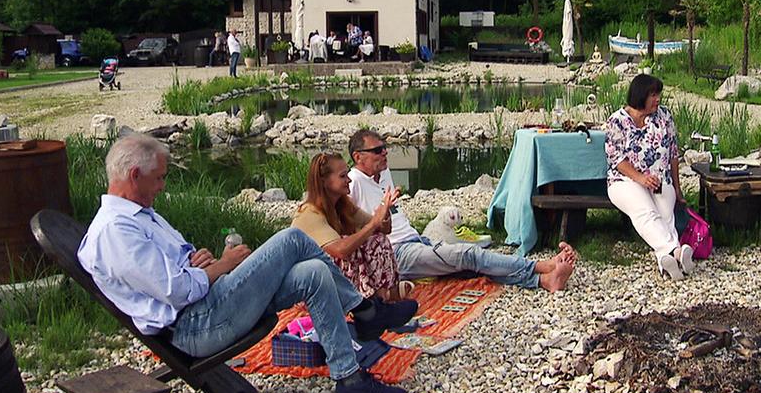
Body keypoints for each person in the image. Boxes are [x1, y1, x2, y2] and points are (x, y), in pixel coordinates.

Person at [78, 133, 415, 393]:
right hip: (199, 324)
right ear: (135, 175)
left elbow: (178, 271)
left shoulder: (138, 215)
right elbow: (177, 290)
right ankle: (366, 310)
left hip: (212, 301)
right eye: (160, 178)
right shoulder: (116, 231)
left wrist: (200, 261)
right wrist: (222, 265)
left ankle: (349, 378)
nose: (163, 186)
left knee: (314, 271)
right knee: (292, 239)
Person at [345, 129, 577, 291]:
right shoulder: (352, 183)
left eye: (385, 147)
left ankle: (545, 281)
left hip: (416, 240)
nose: (385, 153)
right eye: (378, 150)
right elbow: (342, 228)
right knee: (468, 254)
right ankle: (541, 266)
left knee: (470, 266)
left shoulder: (382, 172)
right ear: (358, 157)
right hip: (396, 253)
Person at [604, 74, 696, 280]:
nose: (658, 99)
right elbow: (616, 159)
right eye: (653, 95)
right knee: (645, 212)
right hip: (625, 181)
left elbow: (673, 153)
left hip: (661, 179)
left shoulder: (664, 117)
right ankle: (675, 251)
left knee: (665, 216)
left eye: (659, 95)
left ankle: (668, 261)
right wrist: (640, 178)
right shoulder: (617, 121)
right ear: (640, 95)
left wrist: (678, 188)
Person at [292, 152, 405, 300]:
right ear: (324, 181)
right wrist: (373, 224)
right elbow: (340, 250)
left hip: (329, 275)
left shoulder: (342, 206)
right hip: (307, 283)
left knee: (377, 240)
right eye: (343, 176)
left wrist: (385, 209)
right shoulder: (309, 212)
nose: (349, 179)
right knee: (352, 246)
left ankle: (382, 296)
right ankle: (364, 299)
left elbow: (384, 230)